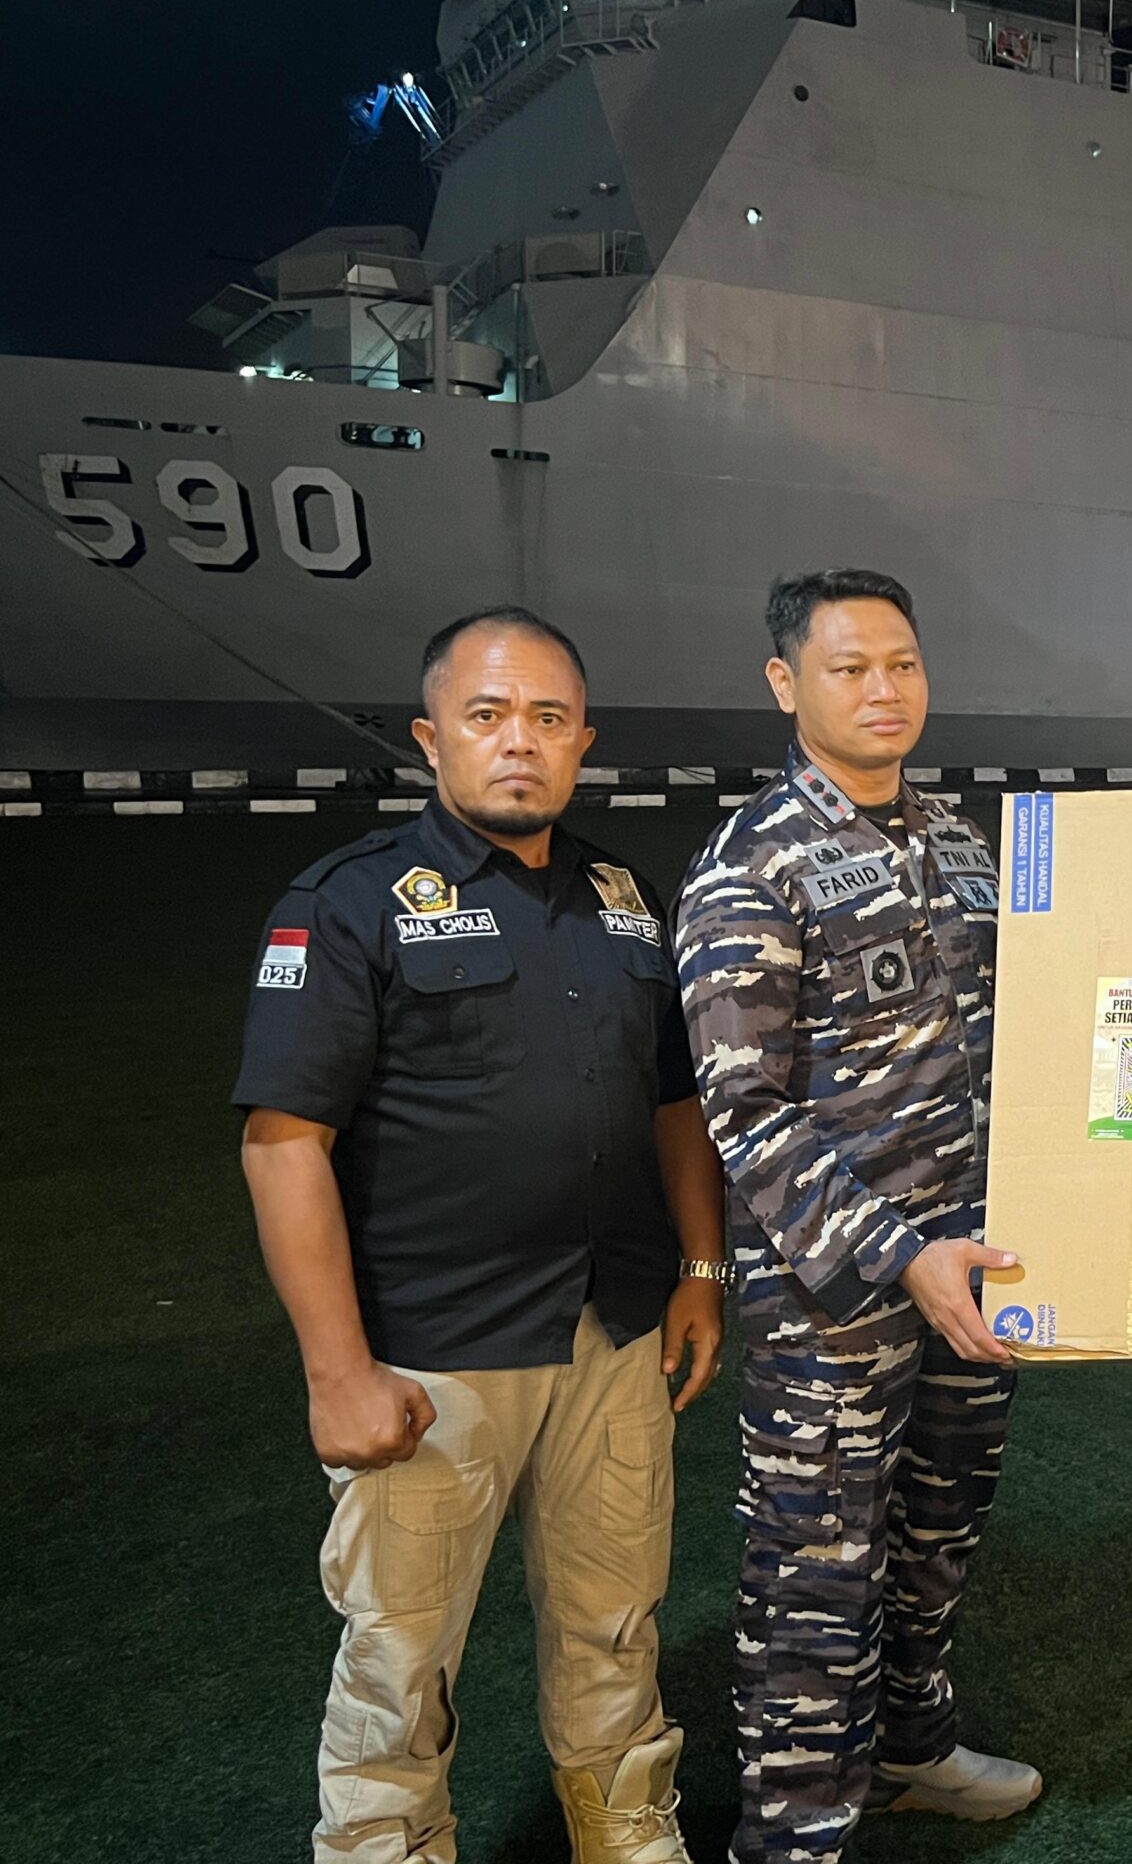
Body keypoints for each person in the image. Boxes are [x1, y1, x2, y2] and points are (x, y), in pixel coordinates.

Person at [235, 606, 728, 1864]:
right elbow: (283, 1144)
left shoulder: (624, 897)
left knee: (616, 1623)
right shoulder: (347, 904)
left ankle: (625, 1835)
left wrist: (700, 1269)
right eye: (489, 715)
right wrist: (336, 1373)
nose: (521, 741)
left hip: (612, 1333)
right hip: (431, 1353)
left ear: (582, 742)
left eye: (549, 718)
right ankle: (384, 1846)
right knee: (399, 1658)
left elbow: (676, 1103)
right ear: (430, 738)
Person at [671, 569, 1037, 1864]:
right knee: (815, 1574)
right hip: (835, 1294)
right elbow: (744, 1111)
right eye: (849, 668)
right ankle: (792, 1839)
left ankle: (909, 1750)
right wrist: (900, 1253)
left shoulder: (960, 840)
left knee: (939, 1526)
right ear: (787, 684)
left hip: (975, 1269)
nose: (885, 689)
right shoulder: (752, 862)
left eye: (902, 663)